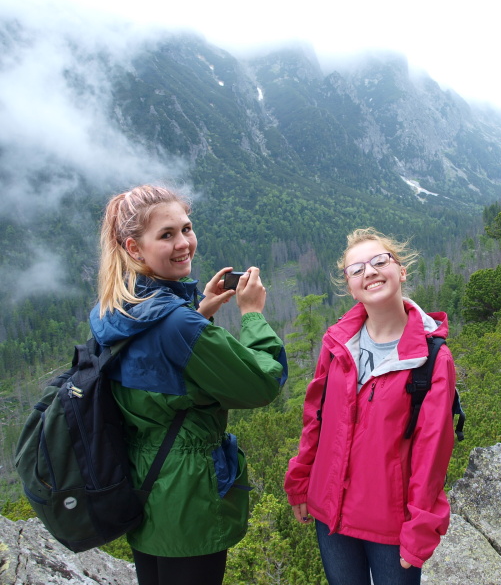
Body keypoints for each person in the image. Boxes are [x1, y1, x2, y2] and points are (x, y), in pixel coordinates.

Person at [89, 183, 288, 585]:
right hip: (190, 497)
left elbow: (161, 373)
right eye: (166, 235)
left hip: (144, 486)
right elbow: (263, 384)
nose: (183, 243)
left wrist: (201, 312)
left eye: (186, 228)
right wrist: (252, 315)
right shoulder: (178, 323)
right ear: (134, 248)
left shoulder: (116, 308)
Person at [284, 227, 456, 585]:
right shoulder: (337, 344)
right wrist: (300, 480)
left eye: (380, 261)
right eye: (357, 269)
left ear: (401, 270)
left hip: (390, 524)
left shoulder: (431, 358)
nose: (370, 272)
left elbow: (432, 451)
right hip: (330, 511)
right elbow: (315, 419)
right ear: (350, 286)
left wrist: (421, 527)